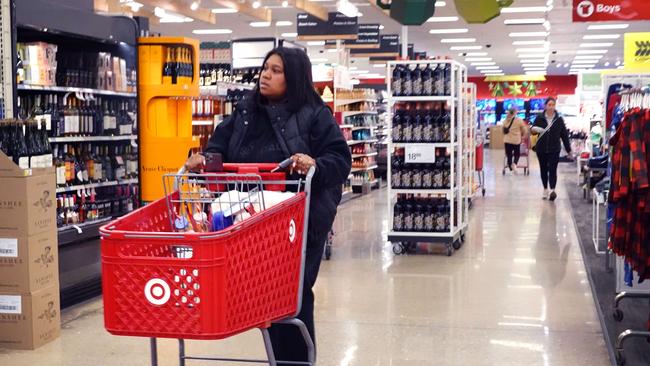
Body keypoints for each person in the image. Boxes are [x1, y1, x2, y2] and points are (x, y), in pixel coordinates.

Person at [184, 47, 352, 363]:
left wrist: (312, 163)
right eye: (265, 68)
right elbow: (218, 151)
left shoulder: (316, 115)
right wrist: (203, 161)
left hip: (298, 223)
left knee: (291, 296)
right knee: (264, 296)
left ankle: (297, 362)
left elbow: (340, 160)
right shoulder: (244, 112)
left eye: (276, 70)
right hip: (248, 219)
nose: (265, 75)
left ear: (295, 77)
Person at [531, 97, 571, 201]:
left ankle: (552, 189)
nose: (551, 107)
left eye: (553, 105)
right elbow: (532, 130)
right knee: (543, 169)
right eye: (549, 105)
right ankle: (545, 189)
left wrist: (569, 150)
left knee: (553, 169)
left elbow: (564, 135)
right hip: (541, 148)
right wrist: (534, 129)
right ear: (545, 106)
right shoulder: (539, 118)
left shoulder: (559, 119)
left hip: (554, 149)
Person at [502, 106, 528, 174]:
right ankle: (514, 164)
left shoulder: (505, 120)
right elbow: (524, 129)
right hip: (516, 140)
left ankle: (510, 167)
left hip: (507, 140)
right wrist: (523, 136)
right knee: (517, 154)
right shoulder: (519, 120)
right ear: (515, 112)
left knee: (509, 154)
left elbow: (503, 130)